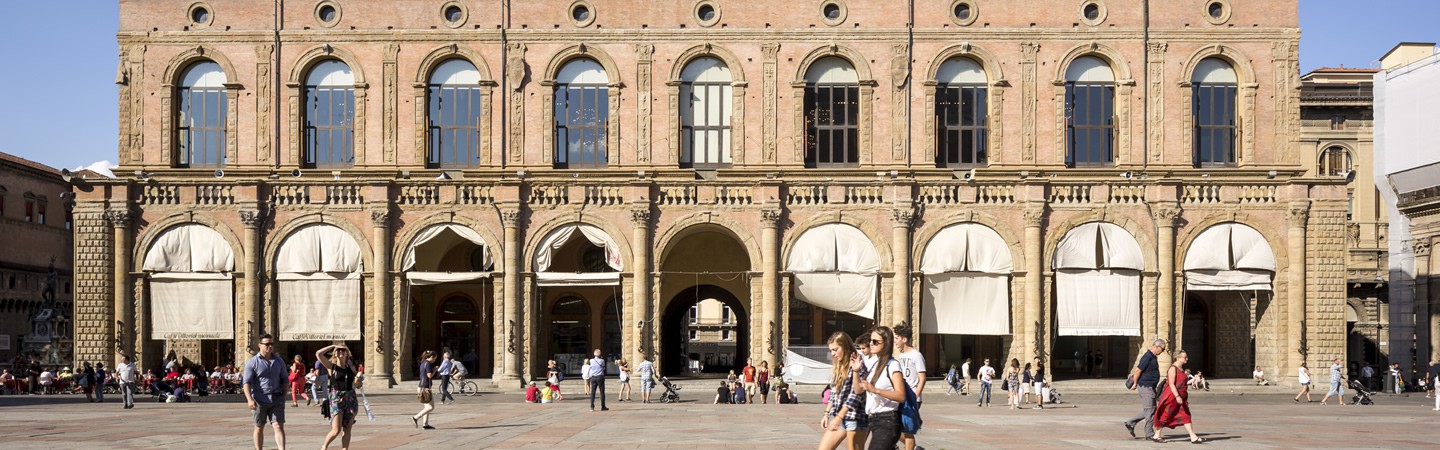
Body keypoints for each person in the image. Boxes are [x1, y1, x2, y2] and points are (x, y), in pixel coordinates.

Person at [851, 326, 906, 450]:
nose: (871, 344)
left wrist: (875, 390)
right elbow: (858, 390)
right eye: (871, 340)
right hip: (873, 419)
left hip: (887, 421)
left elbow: (901, 396)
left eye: (875, 342)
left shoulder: (893, 365)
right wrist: (855, 371)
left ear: (886, 343)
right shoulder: (873, 363)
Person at [819, 331, 868, 450]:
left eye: (835, 349)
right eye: (831, 350)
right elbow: (834, 392)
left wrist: (839, 417)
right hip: (840, 416)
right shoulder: (839, 365)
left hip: (855, 417)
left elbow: (855, 395)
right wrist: (826, 413)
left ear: (845, 346)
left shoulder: (857, 362)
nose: (833, 354)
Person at [242, 334, 289, 450]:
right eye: (267, 344)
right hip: (259, 399)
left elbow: (285, 379)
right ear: (260, 345)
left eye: (271, 344)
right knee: (259, 426)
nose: (270, 346)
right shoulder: (252, 362)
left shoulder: (279, 361)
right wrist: (249, 400)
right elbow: (246, 383)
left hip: (276, 398)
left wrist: (283, 395)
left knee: (278, 425)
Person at [1152, 350, 1203, 444]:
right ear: (1178, 358)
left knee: (1186, 415)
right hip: (1172, 396)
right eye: (1185, 357)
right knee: (1165, 415)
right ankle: (1157, 435)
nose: (1187, 358)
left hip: (1181, 396)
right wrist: (1177, 396)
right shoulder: (1173, 368)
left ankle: (1193, 437)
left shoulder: (1181, 368)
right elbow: (1171, 384)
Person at [316, 344, 360, 450]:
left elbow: (357, 383)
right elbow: (318, 354)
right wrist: (333, 346)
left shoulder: (351, 367)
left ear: (347, 353)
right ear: (335, 353)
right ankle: (324, 447)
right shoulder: (332, 367)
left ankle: (345, 449)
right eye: (338, 350)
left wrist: (358, 382)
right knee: (336, 430)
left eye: (343, 350)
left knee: (347, 429)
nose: (341, 352)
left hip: (350, 398)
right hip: (336, 398)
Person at [1124, 339, 1167, 440]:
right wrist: (1135, 383)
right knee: (1150, 410)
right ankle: (1149, 433)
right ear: (1157, 347)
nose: (1162, 351)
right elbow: (1138, 370)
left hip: (1150, 386)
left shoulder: (1152, 357)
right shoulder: (1147, 356)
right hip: (1145, 386)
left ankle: (1131, 422)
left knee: (1151, 409)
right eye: (1162, 349)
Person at [892, 323, 926, 450]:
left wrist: (915, 396)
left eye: (896, 338)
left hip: (912, 398)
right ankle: (915, 447)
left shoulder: (916, 355)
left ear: (904, 339)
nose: (895, 341)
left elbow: (922, 378)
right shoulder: (900, 356)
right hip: (902, 396)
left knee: (907, 430)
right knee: (897, 429)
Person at [413, 350, 437, 429]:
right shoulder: (428, 364)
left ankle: (425, 424)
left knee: (427, 407)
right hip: (425, 388)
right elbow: (429, 375)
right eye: (434, 358)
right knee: (430, 407)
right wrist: (435, 370)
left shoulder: (423, 363)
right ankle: (416, 417)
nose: (435, 360)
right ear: (431, 357)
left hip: (421, 386)